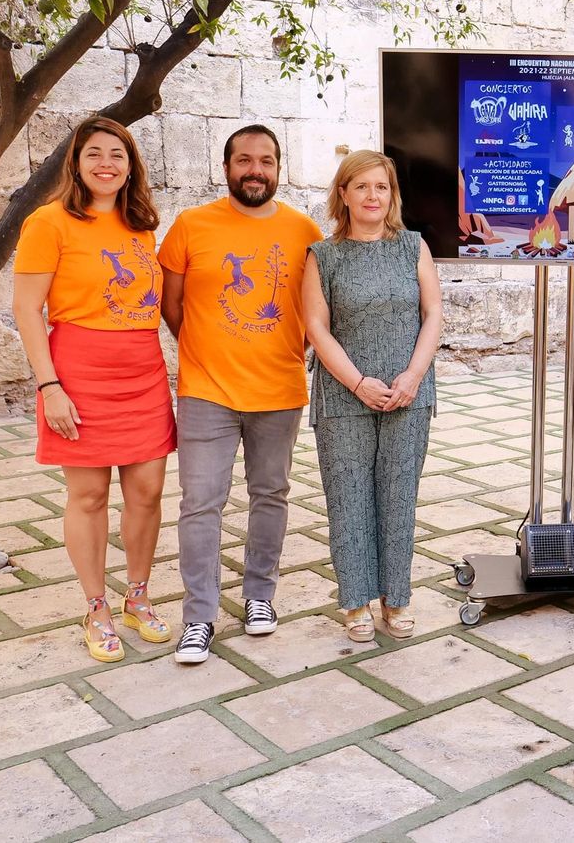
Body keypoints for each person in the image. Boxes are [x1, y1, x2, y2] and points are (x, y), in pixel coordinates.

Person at [11, 116, 175, 664]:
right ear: (76, 164)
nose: (106, 164)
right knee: (89, 495)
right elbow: (26, 309)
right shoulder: (48, 222)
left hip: (143, 369)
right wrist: (48, 386)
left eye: (118, 155)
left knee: (148, 491)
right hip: (77, 373)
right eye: (94, 154)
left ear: (131, 167)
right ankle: (96, 606)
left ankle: (138, 597)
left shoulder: (141, 226)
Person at [159, 125, 324, 665]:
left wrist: (287, 349)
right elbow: (173, 305)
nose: (256, 170)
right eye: (245, 160)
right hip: (206, 390)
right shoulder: (191, 226)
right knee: (200, 503)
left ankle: (260, 597)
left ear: (279, 168)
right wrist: (208, 350)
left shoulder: (306, 232)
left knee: (270, 494)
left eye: (267, 161)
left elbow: (316, 312)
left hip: (279, 389)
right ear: (226, 167)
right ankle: (199, 616)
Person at [301, 151, 443, 643]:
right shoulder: (324, 255)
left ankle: (397, 598)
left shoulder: (413, 248)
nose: (371, 196)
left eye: (380, 187)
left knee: (399, 496)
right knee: (348, 497)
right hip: (344, 395)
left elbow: (433, 316)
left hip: (409, 393)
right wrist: (358, 382)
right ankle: (356, 601)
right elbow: (316, 327)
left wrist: (411, 377)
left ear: (392, 194)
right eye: (360, 186)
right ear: (343, 194)